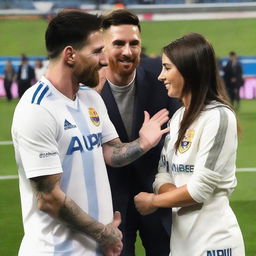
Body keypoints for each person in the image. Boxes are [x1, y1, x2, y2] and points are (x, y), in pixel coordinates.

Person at [11, 10, 170, 256]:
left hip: (97, 248)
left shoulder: (90, 98)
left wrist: (143, 143)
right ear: (70, 55)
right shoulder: (37, 109)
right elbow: (48, 198)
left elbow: (111, 151)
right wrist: (102, 233)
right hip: (57, 250)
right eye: (97, 52)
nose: (104, 60)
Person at [134, 33, 245, 256]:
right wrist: (180, 196)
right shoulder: (178, 118)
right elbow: (162, 177)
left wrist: (155, 201)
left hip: (215, 244)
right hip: (181, 244)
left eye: (167, 68)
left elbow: (200, 189)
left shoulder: (219, 117)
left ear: (188, 70)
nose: (160, 76)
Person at [98, 9, 181, 256]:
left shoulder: (162, 79)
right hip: (111, 207)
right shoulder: (88, 92)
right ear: (102, 48)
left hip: (157, 199)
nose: (127, 51)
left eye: (134, 43)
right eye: (118, 43)